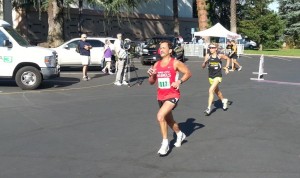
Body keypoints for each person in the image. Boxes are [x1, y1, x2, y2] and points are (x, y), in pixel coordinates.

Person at [147, 40, 192, 156]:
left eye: (163, 48)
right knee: (169, 120)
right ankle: (180, 134)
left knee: (160, 116)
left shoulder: (175, 63)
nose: (161, 50)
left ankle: (165, 144)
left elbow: (188, 73)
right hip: (161, 96)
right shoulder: (157, 64)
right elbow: (151, 82)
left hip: (173, 95)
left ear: (170, 50)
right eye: (160, 48)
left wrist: (179, 81)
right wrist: (151, 74)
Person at [201, 43, 230, 116]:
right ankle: (223, 100)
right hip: (210, 76)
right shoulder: (207, 56)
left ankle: (208, 108)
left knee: (211, 90)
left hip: (218, 76)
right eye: (209, 48)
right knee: (217, 92)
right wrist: (205, 62)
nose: (210, 49)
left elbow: (228, 59)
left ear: (216, 48)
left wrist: (226, 67)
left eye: (212, 47)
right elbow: (203, 66)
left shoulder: (219, 56)